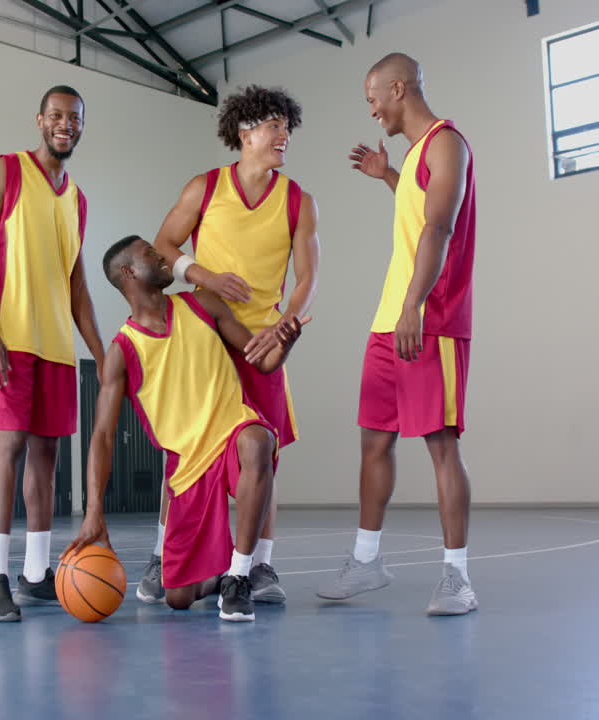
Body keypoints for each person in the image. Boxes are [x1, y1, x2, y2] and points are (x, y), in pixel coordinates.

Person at [66, 236, 307, 622]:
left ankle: (239, 577)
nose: (161, 257)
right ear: (128, 273)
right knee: (178, 598)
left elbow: (262, 362)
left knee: (258, 439)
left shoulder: (204, 304)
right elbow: (103, 437)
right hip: (189, 467)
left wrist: (285, 343)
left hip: (232, 432)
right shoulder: (122, 352)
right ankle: (222, 573)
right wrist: (94, 510)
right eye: (149, 254)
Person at [142, 85, 320, 605]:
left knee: (266, 457)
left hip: (261, 344)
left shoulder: (298, 201)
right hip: (205, 339)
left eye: (287, 126)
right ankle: (162, 556)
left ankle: (259, 567)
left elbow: (308, 276)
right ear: (245, 132)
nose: (284, 135)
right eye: (274, 125)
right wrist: (204, 276)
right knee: (185, 452)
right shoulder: (205, 187)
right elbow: (161, 246)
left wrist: (284, 325)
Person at [316, 53, 478, 615]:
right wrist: (388, 176)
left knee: (441, 446)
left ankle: (457, 579)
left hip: (430, 319)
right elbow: (417, 216)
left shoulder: (446, 143)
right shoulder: (412, 158)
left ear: (398, 88)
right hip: (390, 320)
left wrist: (415, 305)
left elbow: (439, 226)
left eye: (373, 99)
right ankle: (367, 561)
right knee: (374, 441)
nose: (372, 111)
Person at [0, 85, 104, 622]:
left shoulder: (78, 200)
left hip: (57, 347)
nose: (66, 124)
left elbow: (77, 285)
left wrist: (102, 354)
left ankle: (35, 574)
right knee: (11, 446)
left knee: (48, 458)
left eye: (75, 117)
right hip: (10, 339)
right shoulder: (7, 169)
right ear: (40, 120)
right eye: (57, 115)